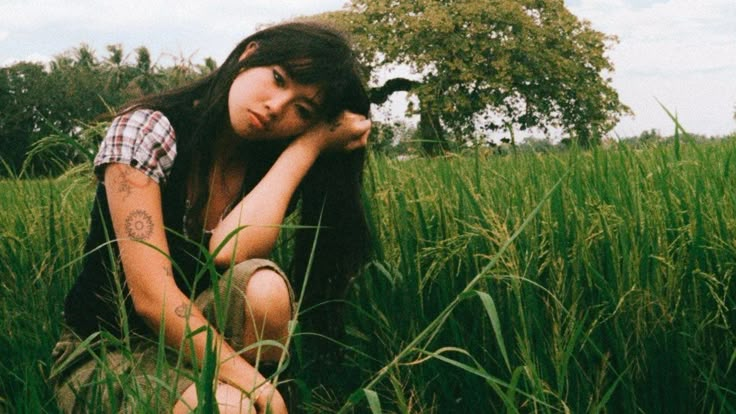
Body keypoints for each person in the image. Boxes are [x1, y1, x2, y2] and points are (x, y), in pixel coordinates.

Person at [49, 21, 372, 413]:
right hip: (105, 348)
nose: (276, 107)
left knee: (264, 289)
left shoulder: (268, 162)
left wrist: (308, 145)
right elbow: (153, 299)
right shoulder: (148, 129)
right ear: (250, 54)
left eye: (302, 111)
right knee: (228, 407)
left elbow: (227, 251)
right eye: (278, 79)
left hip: (196, 342)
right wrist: (258, 387)